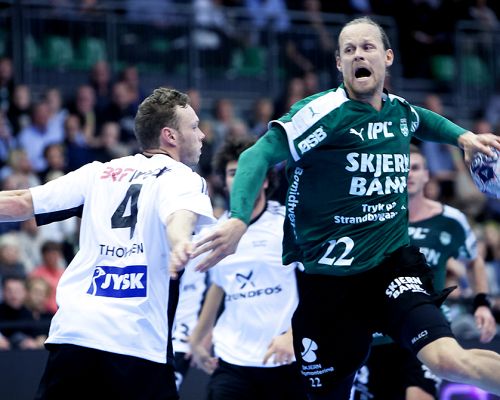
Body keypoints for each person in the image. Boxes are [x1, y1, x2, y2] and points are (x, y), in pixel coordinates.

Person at [191, 16, 500, 400]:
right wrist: (238, 219)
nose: (358, 55)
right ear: (339, 63)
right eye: (349, 50)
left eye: (367, 47)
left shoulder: (397, 111)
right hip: (328, 284)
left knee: (447, 360)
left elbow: (420, 120)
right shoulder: (323, 112)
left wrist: (464, 137)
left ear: (387, 57)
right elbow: (257, 155)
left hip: (391, 268)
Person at [0, 87, 215, 400]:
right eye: (194, 126)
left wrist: (180, 237)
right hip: (136, 342)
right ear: (169, 136)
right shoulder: (182, 176)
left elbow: (21, 202)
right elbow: (179, 215)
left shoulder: (98, 172)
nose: (202, 135)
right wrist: (181, 241)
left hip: (76, 336)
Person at [351, 144, 497, 400]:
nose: (409, 174)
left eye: (416, 168)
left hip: (425, 324)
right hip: (375, 334)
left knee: (432, 383)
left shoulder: (450, 220)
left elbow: (473, 260)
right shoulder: (369, 219)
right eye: (403, 168)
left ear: (427, 175)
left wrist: (482, 303)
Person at [188, 136, 307, 400]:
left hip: (283, 357)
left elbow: (317, 287)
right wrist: (198, 336)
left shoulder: (287, 224)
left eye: (250, 171)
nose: (242, 178)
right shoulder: (214, 231)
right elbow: (220, 284)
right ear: (224, 181)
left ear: (265, 180)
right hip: (232, 360)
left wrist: (295, 334)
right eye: (233, 173)